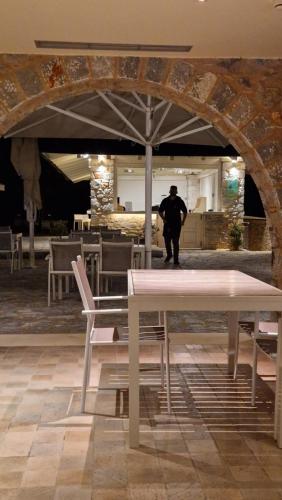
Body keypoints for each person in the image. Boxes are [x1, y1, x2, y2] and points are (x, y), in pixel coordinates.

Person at [158, 185, 187, 265]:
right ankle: (169, 255)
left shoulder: (179, 200)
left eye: (174, 190)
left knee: (175, 242)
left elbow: (185, 211)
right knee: (167, 241)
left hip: (176, 224)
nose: (173, 192)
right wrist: (163, 219)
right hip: (167, 224)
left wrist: (183, 221)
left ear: (176, 191)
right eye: (172, 190)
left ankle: (176, 259)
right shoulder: (165, 200)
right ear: (169, 191)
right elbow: (160, 211)